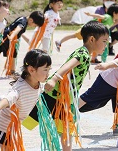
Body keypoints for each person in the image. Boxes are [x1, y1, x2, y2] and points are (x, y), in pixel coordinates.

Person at [24, 21, 109, 151]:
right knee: (31, 119)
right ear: (92, 39)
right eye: (104, 41)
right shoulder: (82, 54)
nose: (106, 44)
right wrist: (54, 79)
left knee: (66, 128)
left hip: (65, 98)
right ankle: (3, 129)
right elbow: (66, 67)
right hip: (54, 95)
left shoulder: (85, 54)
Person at [0, 49, 52, 150]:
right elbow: (8, 99)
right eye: (45, 70)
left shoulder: (38, 84)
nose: (48, 73)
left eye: (49, 69)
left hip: (12, 126)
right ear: (31, 70)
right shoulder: (20, 88)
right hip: (2, 125)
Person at [54, 0, 118, 59]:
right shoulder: (107, 15)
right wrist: (90, 14)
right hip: (90, 30)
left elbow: (116, 26)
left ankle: (94, 58)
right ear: (115, 13)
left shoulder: (114, 18)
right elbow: (100, 17)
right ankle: (60, 41)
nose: (109, 1)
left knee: (97, 42)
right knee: (74, 36)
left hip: (99, 33)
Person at [0, 11, 45, 77]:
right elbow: (17, 29)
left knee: (13, 53)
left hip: (7, 36)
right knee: (12, 53)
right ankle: (12, 72)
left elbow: (18, 31)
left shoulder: (22, 18)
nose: (34, 26)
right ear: (31, 20)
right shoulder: (23, 22)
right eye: (35, 25)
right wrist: (11, 37)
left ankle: (12, 71)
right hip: (7, 38)